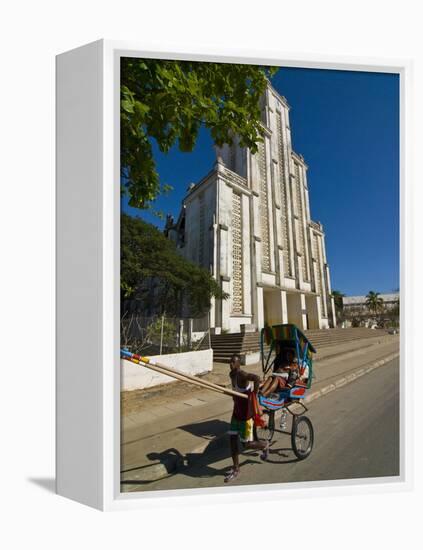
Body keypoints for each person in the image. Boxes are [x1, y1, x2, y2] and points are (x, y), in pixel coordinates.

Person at [224, 354, 269, 483]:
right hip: (237, 411)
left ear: (239, 363)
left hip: (246, 414)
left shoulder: (241, 374)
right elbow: (235, 391)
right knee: (232, 439)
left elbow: (256, 378)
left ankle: (265, 445)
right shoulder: (231, 375)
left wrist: (254, 394)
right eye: (230, 362)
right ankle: (236, 468)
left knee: (247, 444)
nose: (231, 364)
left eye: (233, 362)